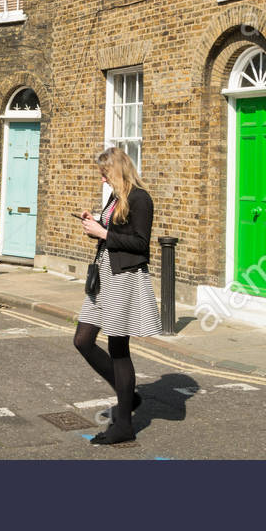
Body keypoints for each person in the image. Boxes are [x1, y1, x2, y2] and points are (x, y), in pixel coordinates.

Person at [73, 145, 161, 445]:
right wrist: (94, 224)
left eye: (104, 174)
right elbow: (111, 231)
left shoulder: (140, 198)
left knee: (118, 348)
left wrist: (103, 233)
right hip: (105, 274)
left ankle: (124, 425)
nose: (102, 180)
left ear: (117, 170)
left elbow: (141, 244)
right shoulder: (115, 197)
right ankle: (127, 394)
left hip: (124, 277)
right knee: (82, 339)